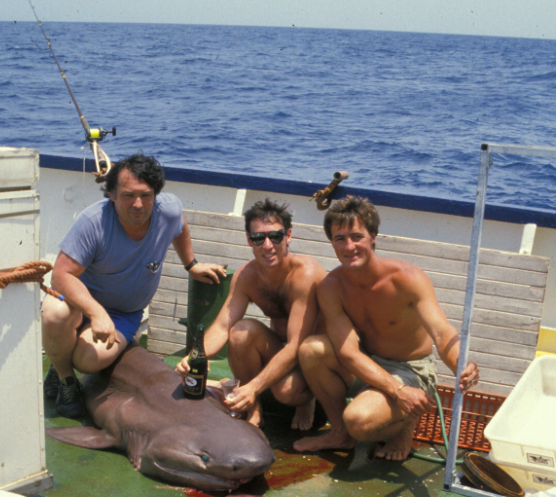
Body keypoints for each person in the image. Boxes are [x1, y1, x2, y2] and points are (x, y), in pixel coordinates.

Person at [292, 195, 480, 461]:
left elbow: (441, 332)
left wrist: (461, 363)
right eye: (340, 239)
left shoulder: (407, 278)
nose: (349, 246)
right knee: (311, 349)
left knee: (358, 420)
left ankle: (405, 426)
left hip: (410, 368)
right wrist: (396, 390)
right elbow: (348, 354)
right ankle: (340, 434)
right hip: (369, 363)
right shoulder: (331, 287)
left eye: (357, 236)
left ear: (373, 236)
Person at [41, 154, 227, 418]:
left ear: (156, 195)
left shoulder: (169, 209)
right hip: (81, 305)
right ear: (112, 195)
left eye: (146, 195)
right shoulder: (93, 222)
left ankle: (60, 353)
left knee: (90, 361)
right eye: (128, 195)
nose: (138, 204)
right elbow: (60, 276)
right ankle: (66, 379)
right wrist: (96, 313)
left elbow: (180, 226)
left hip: (124, 314)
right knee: (53, 312)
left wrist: (191, 264)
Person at [176, 198, 326, 429]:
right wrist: (197, 356)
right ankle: (254, 409)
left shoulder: (306, 274)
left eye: (275, 236)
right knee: (240, 332)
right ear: (249, 240)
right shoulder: (247, 276)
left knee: (286, 392)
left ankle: (308, 398)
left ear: (288, 236)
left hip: (312, 356)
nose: (267, 245)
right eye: (258, 238)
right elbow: (223, 326)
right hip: (279, 346)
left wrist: (254, 385)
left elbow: (296, 346)